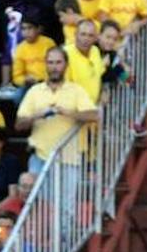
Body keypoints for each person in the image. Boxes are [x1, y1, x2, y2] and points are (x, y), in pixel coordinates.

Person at [14, 46, 98, 182]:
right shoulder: (34, 91)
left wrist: (68, 112)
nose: (54, 67)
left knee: (67, 203)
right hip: (40, 157)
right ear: (45, 65)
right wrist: (38, 115)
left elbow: (94, 115)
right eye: (50, 62)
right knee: (38, 202)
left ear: (66, 65)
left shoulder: (76, 90)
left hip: (70, 157)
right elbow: (19, 125)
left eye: (58, 62)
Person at [63, 19, 103, 105]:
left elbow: (99, 74)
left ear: (95, 38)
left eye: (90, 35)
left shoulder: (95, 51)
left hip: (91, 108)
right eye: (83, 34)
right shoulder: (65, 54)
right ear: (75, 35)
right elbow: (63, 87)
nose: (86, 39)